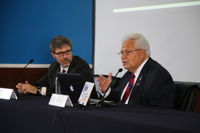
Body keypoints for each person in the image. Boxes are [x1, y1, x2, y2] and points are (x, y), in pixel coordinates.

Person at [96, 33, 175, 109]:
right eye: (122, 53)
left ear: (142, 53)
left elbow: (159, 111)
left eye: (127, 52)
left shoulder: (158, 76)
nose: (122, 57)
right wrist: (107, 91)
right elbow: (119, 98)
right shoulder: (129, 74)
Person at [16, 35, 98, 99]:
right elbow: (42, 82)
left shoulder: (81, 66)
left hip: (88, 108)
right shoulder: (54, 66)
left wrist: (37, 90)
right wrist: (26, 87)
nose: (65, 56)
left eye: (68, 52)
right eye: (60, 53)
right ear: (53, 54)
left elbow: (67, 91)